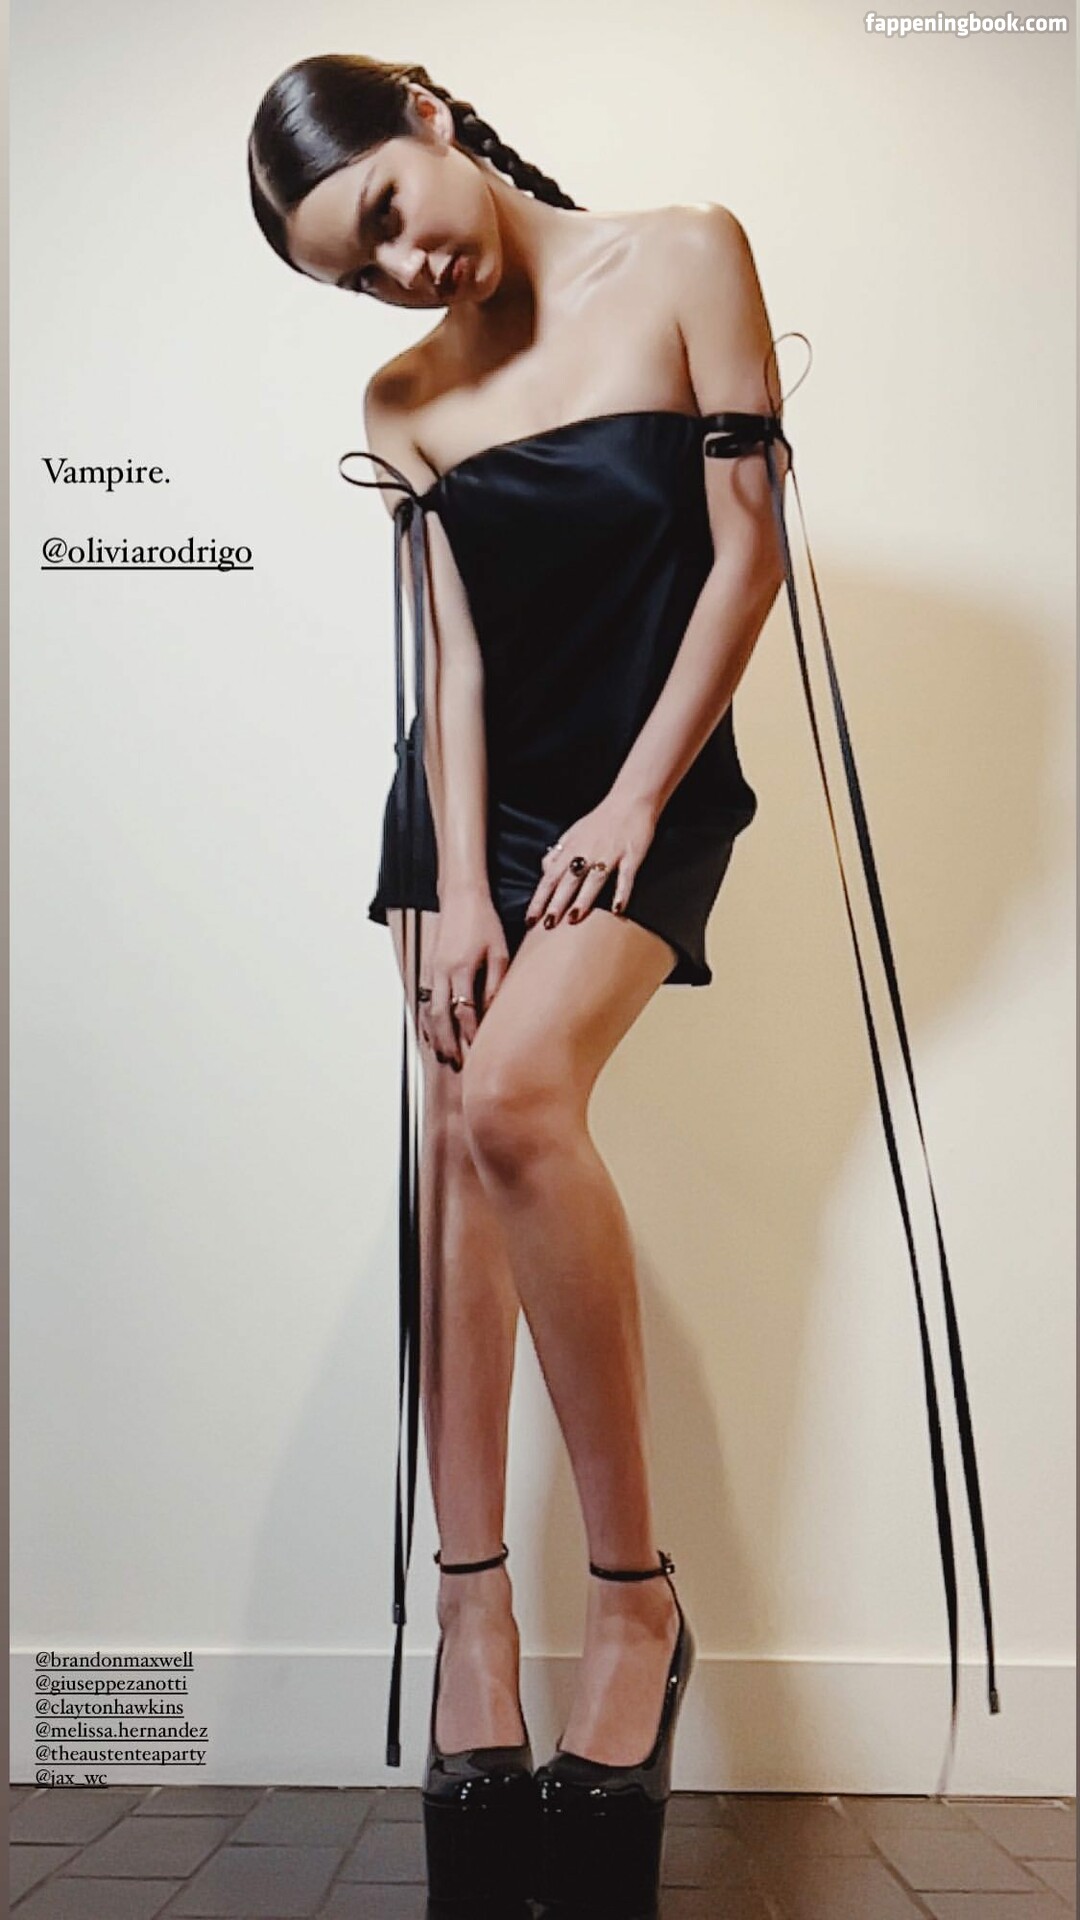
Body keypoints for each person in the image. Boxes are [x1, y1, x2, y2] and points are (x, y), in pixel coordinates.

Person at [247, 52, 999, 1914]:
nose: (399, 273)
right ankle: (473, 1623)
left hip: (646, 786)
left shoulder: (681, 258)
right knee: (455, 1141)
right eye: (355, 273)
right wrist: (454, 889)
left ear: (429, 116)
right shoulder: (403, 400)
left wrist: (632, 806)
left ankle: (633, 1603)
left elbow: (747, 562)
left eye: (387, 216)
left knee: (515, 1099)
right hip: (475, 814)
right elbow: (454, 668)